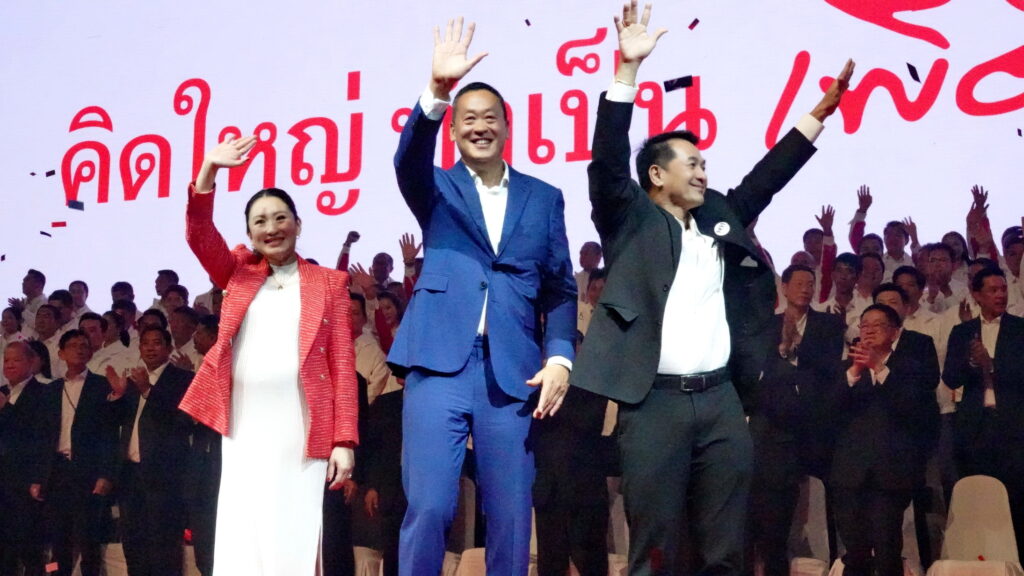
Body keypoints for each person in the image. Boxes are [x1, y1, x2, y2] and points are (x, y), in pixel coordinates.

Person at [569, 3, 852, 574]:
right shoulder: (629, 219)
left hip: (722, 402)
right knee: (654, 547)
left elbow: (765, 181)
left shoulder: (717, 216)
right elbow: (606, 161)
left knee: (726, 548)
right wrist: (626, 71)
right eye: (692, 164)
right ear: (656, 175)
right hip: (654, 404)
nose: (703, 171)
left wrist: (817, 116)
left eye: (705, 164)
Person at [391, 16, 577, 576]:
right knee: (429, 507)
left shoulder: (543, 197)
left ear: (507, 127)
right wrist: (436, 91)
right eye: (467, 118)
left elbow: (560, 288)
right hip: (439, 366)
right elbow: (407, 159)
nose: (479, 126)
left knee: (512, 518)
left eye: (490, 117)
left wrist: (560, 356)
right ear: (452, 131)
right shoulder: (436, 187)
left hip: (512, 373)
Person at [178, 136, 358, 576]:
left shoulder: (329, 283)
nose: (271, 227)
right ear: (249, 234)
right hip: (243, 424)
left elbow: (341, 366)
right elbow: (199, 234)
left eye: (280, 217)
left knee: (293, 535)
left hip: (301, 424)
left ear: (298, 224)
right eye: (260, 221)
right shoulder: (236, 271)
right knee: (243, 534)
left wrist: (344, 441)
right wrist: (208, 169)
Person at [748, 265, 844, 576]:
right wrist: (782, 350)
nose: (806, 288)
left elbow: (828, 370)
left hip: (807, 428)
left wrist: (794, 350)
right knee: (758, 519)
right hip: (767, 430)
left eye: (811, 283)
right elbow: (759, 374)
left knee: (785, 520)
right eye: (799, 283)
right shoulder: (768, 325)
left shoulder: (828, 324)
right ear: (785, 287)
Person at [831, 305, 939, 576]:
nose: (869, 330)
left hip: (889, 475)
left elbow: (913, 409)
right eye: (864, 325)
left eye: (877, 325)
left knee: (887, 549)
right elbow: (827, 412)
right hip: (850, 474)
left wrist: (878, 368)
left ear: (894, 333)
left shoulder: (911, 367)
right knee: (854, 553)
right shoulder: (846, 369)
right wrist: (855, 372)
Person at [943, 267, 1024, 552]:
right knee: (978, 498)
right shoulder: (962, 332)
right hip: (974, 428)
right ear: (976, 295)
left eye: (1003, 289)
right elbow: (950, 377)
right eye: (993, 290)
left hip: (1014, 427)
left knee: (1016, 500)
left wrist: (991, 365)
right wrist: (972, 363)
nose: (1000, 295)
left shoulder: (1020, 329)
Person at [108, 326, 194, 576]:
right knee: (133, 543)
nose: (150, 348)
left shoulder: (183, 379)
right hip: (130, 474)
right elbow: (115, 422)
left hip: (164, 477)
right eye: (145, 343)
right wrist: (117, 395)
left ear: (169, 347)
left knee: (163, 545)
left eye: (157, 343)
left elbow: (182, 422)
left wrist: (148, 391)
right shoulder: (133, 380)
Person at [45, 330, 118, 576]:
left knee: (88, 540)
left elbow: (109, 434)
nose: (79, 349)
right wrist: (38, 477)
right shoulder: (52, 390)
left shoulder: (101, 386)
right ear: (61, 353)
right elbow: (43, 437)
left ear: (91, 352)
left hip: (88, 472)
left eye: (84, 345)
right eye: (73, 345)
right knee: (57, 540)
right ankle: (55, 573)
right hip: (57, 471)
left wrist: (105, 474)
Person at [0, 341, 59, 576]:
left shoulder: (43, 393)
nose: (10, 365)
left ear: (32, 362)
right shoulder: (3, 391)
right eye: (6, 360)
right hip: (3, 480)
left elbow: (39, 436)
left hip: (25, 481)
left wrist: (6, 410)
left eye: (16, 360)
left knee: (29, 546)